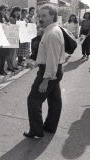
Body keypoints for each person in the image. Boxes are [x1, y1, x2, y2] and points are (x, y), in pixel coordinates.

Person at [24, 4, 65, 138]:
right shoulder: (49, 31)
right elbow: (47, 55)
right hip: (52, 70)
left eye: (44, 16)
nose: (40, 18)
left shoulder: (52, 33)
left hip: (49, 71)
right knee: (54, 100)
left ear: (52, 16)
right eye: (39, 15)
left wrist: (45, 81)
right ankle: (50, 127)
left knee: (33, 100)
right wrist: (36, 64)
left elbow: (52, 59)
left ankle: (36, 131)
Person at [0, 4, 10, 75]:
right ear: (0, 11)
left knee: (4, 55)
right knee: (0, 55)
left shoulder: (7, 18)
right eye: (4, 10)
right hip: (0, 39)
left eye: (7, 10)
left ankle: (2, 69)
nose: (6, 11)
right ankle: (0, 70)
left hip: (6, 39)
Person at [7, 6, 22, 72]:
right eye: (16, 11)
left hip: (15, 37)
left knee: (13, 53)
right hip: (11, 38)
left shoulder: (16, 18)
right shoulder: (11, 18)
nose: (18, 13)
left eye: (19, 11)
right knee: (10, 53)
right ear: (13, 11)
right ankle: (9, 66)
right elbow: (11, 28)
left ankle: (12, 65)